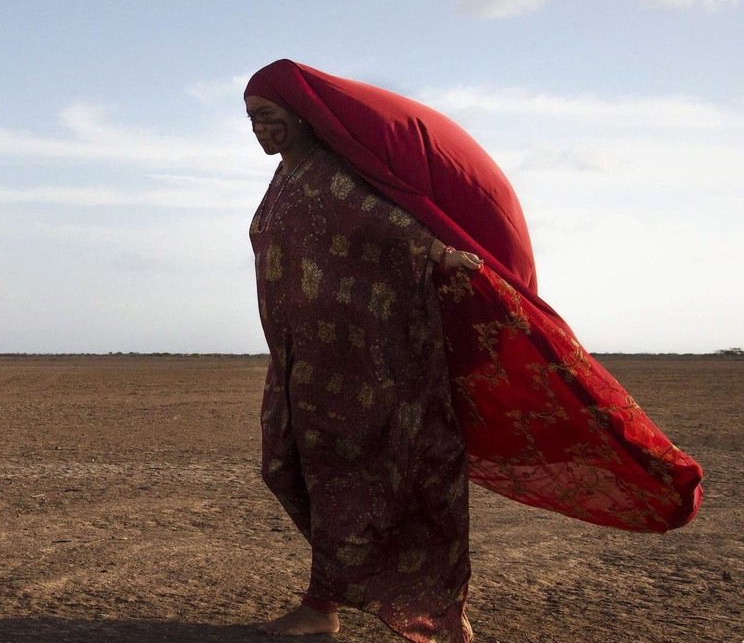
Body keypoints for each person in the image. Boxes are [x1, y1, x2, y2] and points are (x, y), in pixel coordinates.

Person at [242, 60, 702, 642]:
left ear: (301, 115)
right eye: (252, 120)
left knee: (371, 480)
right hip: (301, 363)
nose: (258, 129)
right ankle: (328, 599)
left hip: (365, 366)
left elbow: (385, 225)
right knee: (290, 468)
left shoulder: (330, 176)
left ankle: (381, 610)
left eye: (268, 116)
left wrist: (439, 253)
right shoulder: (285, 179)